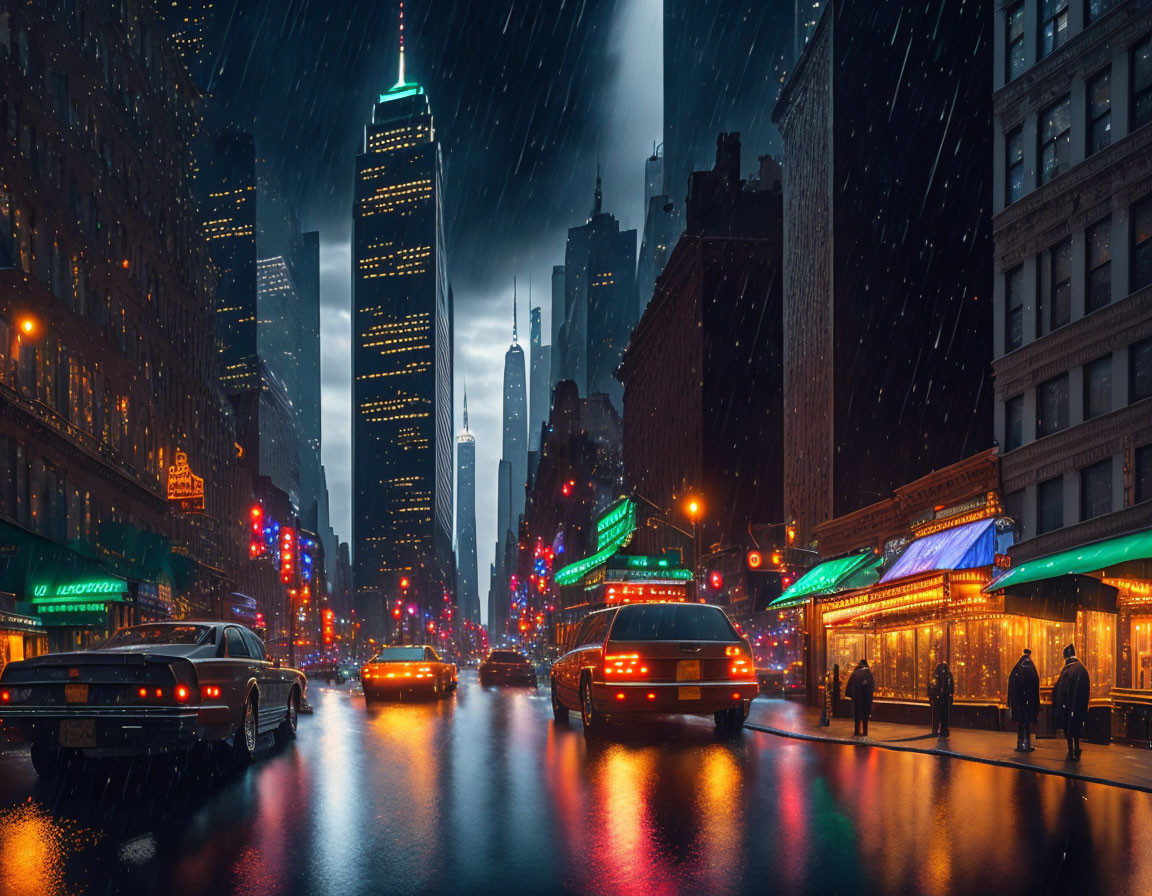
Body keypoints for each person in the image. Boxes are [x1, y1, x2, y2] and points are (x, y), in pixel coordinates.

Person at [1052, 644, 1091, 761]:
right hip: (1080, 706)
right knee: (1077, 727)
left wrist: (1059, 705)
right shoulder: (1083, 669)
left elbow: (1061, 690)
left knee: (1068, 728)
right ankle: (1077, 748)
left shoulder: (1067, 670)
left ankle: (1070, 752)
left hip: (1068, 706)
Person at [1007, 648, 1040, 752]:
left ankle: (1020, 743)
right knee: (1026, 724)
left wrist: (1012, 701)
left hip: (1018, 701)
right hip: (1027, 701)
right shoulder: (1030, 666)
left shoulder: (1018, 666)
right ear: (1029, 654)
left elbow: (1012, 683)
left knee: (1021, 724)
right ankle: (1026, 744)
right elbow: (1034, 684)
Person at [845, 659, 875, 737]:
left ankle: (856, 731)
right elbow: (872, 686)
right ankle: (865, 732)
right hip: (866, 698)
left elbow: (850, 685)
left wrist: (851, 696)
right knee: (865, 715)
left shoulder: (855, 673)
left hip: (857, 697)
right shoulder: (868, 673)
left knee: (857, 714)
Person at [928, 662, 954, 737]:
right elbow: (951, 688)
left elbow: (932, 686)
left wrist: (932, 696)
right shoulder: (948, 675)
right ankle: (941, 730)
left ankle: (938, 730)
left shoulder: (938, 675)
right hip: (942, 699)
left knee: (939, 715)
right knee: (942, 715)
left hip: (941, 698)